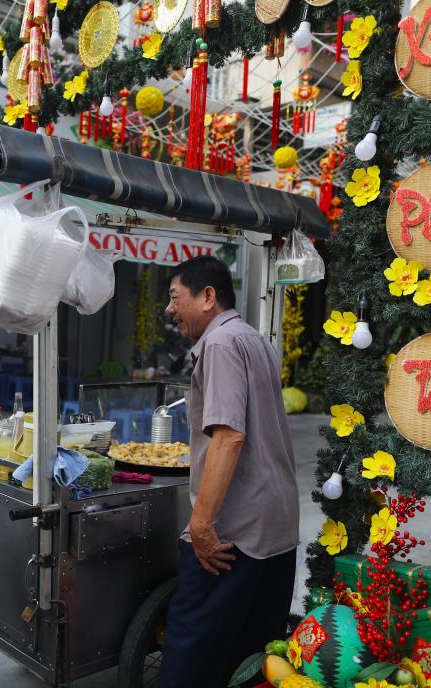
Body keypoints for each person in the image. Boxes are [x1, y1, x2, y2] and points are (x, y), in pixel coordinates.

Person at [159, 255, 299, 688]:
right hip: (275, 524)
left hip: (233, 531)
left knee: (192, 650)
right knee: (254, 655)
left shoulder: (219, 344)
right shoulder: (253, 338)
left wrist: (201, 526)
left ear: (207, 297)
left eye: (174, 298)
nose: (169, 309)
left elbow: (229, 437)